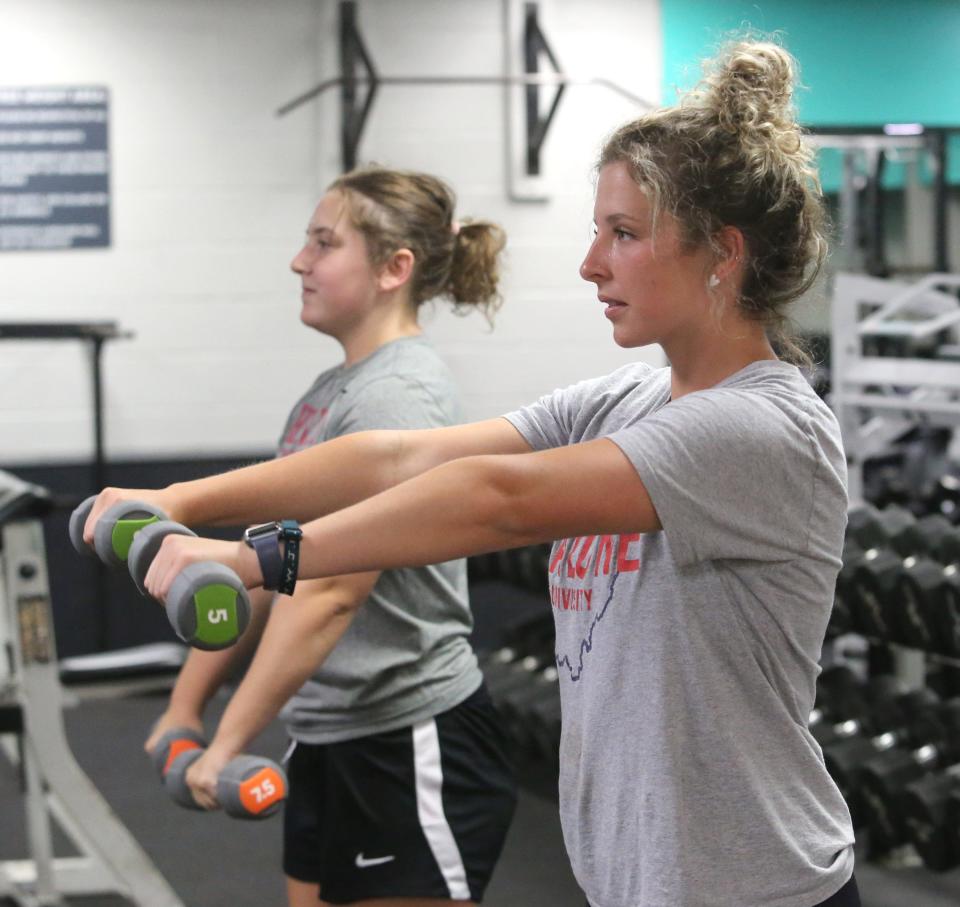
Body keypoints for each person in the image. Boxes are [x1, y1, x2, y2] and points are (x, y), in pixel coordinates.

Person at [86, 41, 860, 907]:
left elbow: (498, 499)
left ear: (723, 252)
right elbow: (398, 454)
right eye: (595, 229)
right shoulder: (625, 400)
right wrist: (181, 500)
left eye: (625, 233)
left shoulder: (759, 427)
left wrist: (252, 559)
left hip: (756, 888)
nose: (590, 262)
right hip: (638, 881)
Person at [137, 167, 517, 907]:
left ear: (393, 269)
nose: (298, 261)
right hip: (328, 732)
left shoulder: (395, 395)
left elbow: (331, 589)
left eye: (322, 242)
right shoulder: (331, 394)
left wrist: (224, 739)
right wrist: (187, 707)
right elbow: (260, 570)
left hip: (407, 736)